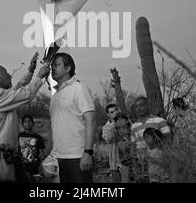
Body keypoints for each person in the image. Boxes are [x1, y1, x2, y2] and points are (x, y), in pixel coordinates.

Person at [0, 52, 50, 183]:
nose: (10, 75)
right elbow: (25, 94)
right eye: (6, 73)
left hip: (6, 156)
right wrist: (39, 77)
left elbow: (17, 88)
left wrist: (30, 71)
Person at [49, 53, 95, 183]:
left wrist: (88, 153)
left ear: (68, 68)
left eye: (57, 65)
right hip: (58, 158)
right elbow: (54, 127)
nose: (53, 68)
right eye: (52, 65)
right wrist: (50, 155)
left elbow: (90, 121)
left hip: (78, 157)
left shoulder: (79, 88)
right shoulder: (55, 96)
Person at [130, 96, 171, 182]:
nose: (138, 108)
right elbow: (133, 147)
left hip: (157, 164)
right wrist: (135, 165)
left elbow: (168, 140)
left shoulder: (159, 121)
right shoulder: (134, 126)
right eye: (136, 106)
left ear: (148, 106)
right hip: (142, 164)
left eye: (141, 105)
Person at [18, 114, 45, 182]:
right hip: (23, 167)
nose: (28, 123)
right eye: (25, 122)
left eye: (29, 121)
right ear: (23, 124)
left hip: (36, 167)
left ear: (32, 123)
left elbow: (41, 153)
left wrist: (41, 165)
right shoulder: (20, 136)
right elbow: (17, 150)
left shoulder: (38, 137)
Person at [101, 103, 120, 182]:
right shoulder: (106, 127)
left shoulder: (126, 121)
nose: (115, 113)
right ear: (108, 115)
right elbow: (109, 139)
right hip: (115, 155)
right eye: (112, 112)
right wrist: (114, 125)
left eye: (116, 110)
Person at [113, 112, 133, 183]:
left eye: (121, 118)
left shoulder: (132, 129)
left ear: (127, 120)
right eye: (117, 119)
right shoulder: (116, 133)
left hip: (136, 160)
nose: (119, 120)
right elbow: (121, 147)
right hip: (124, 161)